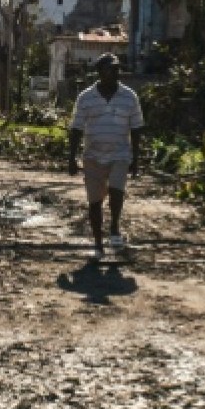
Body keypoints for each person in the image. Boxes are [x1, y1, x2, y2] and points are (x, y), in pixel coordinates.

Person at [67, 53, 144, 262]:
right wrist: (71, 158)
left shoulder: (129, 96)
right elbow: (76, 128)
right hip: (93, 155)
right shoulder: (86, 97)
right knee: (95, 202)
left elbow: (136, 128)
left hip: (120, 153)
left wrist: (136, 158)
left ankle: (115, 228)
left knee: (117, 191)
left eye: (118, 69)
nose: (116, 73)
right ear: (100, 72)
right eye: (111, 69)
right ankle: (98, 244)